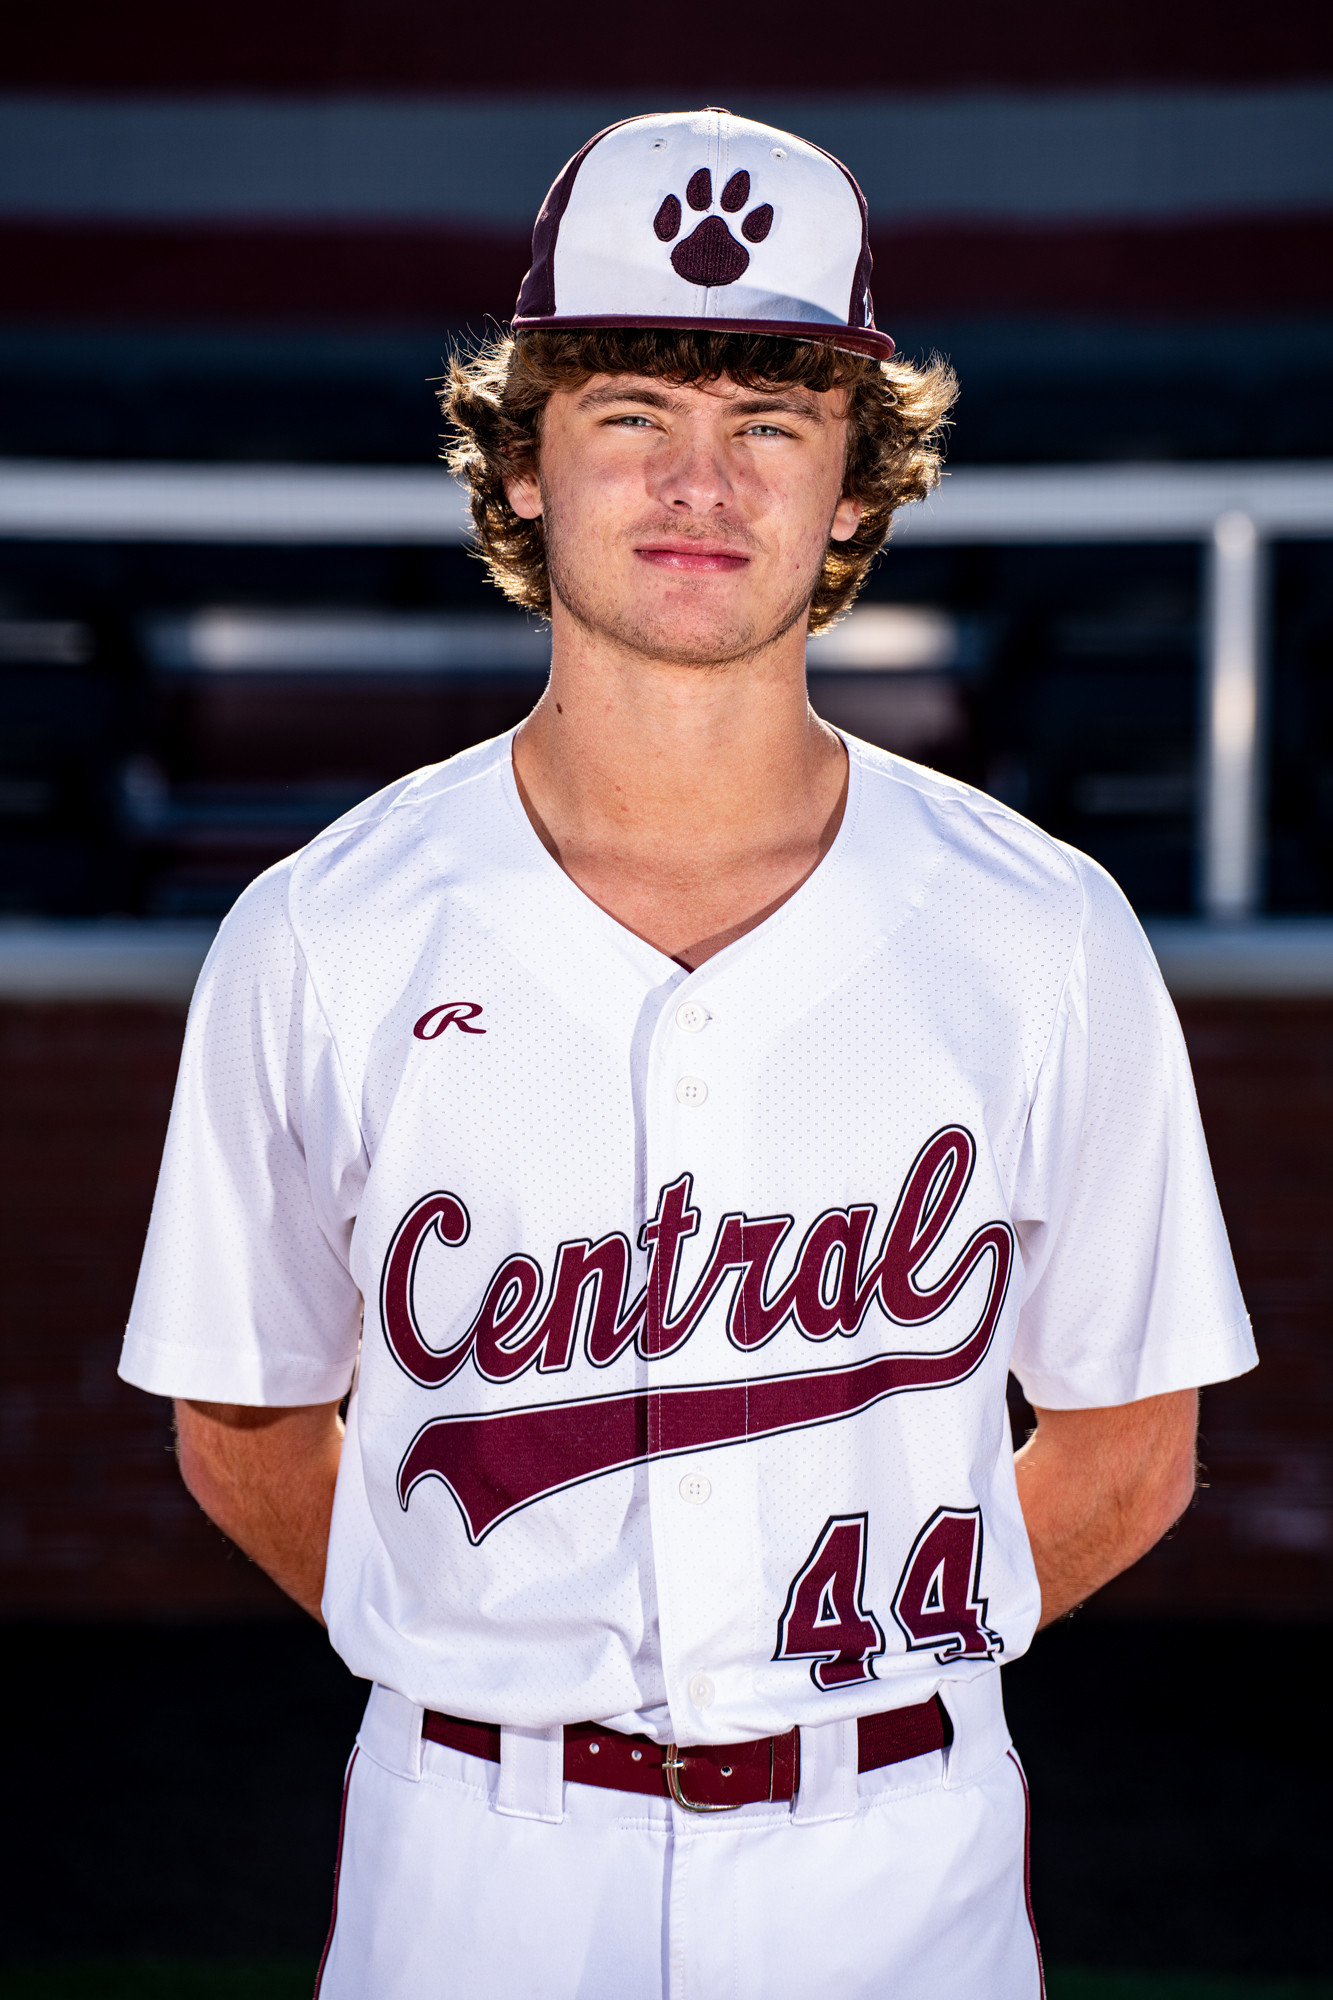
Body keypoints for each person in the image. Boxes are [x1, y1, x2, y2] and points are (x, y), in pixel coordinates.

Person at [119, 109, 1255, 1999]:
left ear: (854, 484)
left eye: (771, 423)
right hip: (471, 1873)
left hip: (895, 1870)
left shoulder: (1039, 929)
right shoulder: (325, 930)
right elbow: (240, 1427)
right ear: (521, 462)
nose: (698, 484)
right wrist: (494, 1660)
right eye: (630, 411)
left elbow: (1129, 1450)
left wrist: (841, 1678)